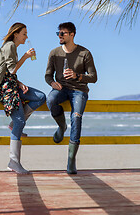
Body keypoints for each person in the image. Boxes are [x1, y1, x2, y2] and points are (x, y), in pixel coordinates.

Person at [0, 22, 46, 174]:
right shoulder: (10, 46)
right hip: (5, 88)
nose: (26, 36)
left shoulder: (12, 47)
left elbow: (8, 71)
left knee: (40, 97)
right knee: (21, 120)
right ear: (16, 34)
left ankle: (14, 125)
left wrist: (19, 82)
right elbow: (12, 69)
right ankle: (14, 162)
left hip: (12, 84)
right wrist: (26, 56)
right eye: (24, 33)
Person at [45, 22, 97, 174]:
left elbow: (93, 77)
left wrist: (77, 76)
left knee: (76, 117)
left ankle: (71, 159)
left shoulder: (84, 53)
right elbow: (48, 75)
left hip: (79, 90)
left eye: (63, 33)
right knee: (50, 100)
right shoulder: (54, 53)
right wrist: (52, 82)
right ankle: (62, 127)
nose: (59, 36)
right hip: (61, 88)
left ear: (72, 34)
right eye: (58, 33)